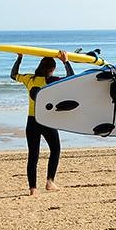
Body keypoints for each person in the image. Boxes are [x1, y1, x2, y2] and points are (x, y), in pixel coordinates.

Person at [11, 51, 73, 195]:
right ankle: (50, 182)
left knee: (33, 155)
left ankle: (33, 189)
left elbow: (13, 74)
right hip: (46, 120)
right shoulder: (50, 81)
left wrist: (20, 58)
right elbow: (71, 78)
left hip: (32, 121)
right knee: (55, 149)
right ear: (51, 69)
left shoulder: (29, 79)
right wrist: (66, 62)